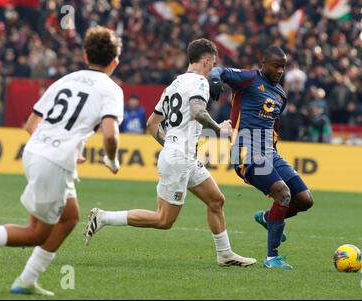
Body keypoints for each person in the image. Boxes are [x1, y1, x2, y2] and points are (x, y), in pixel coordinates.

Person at [84, 38, 256, 268]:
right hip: (180, 158)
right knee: (164, 220)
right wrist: (219, 129)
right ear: (206, 61)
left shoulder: (173, 85)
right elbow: (197, 111)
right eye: (212, 64)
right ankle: (103, 217)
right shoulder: (199, 82)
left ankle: (225, 254)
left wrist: (171, 146)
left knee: (216, 200)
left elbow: (151, 124)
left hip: (183, 157)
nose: (213, 69)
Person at [0, 26, 124, 295]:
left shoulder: (66, 80)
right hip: (53, 162)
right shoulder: (111, 90)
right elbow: (110, 135)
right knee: (36, 233)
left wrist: (62, 146)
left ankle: (27, 280)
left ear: (85, 55)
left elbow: (31, 123)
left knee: (69, 217)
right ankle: (26, 279)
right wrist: (111, 161)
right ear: (115, 61)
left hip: (35, 152)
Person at [209, 45, 314, 270]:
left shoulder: (281, 95)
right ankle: (271, 258)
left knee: (305, 199)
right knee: (283, 194)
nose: (279, 71)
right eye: (275, 66)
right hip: (246, 151)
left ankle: (268, 218)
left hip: (270, 153)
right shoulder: (248, 79)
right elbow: (220, 71)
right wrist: (215, 81)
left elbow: (273, 126)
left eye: (283, 67)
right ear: (263, 63)